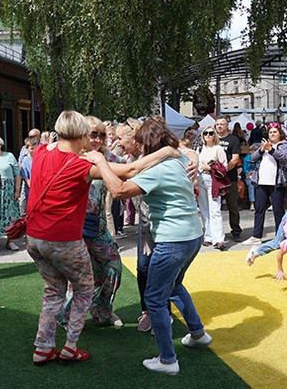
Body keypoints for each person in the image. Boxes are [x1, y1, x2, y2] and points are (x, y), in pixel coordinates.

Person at [27, 111, 182, 366]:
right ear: (81, 135)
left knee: (53, 290)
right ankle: (70, 346)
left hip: (34, 238)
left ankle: (43, 348)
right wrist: (168, 152)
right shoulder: (82, 166)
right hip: (63, 239)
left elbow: (54, 142)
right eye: (91, 134)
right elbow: (131, 170)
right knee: (85, 289)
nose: (96, 139)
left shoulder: (42, 151)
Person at [86, 118, 212, 376]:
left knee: (155, 299)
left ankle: (168, 359)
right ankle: (197, 333)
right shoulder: (178, 161)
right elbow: (177, 152)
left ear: (147, 144)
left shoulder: (159, 168)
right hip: (193, 236)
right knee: (175, 286)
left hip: (173, 241)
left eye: (140, 143)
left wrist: (99, 161)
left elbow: (120, 190)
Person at [59, 116, 123, 327]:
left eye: (102, 135)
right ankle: (66, 317)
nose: (97, 139)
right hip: (73, 226)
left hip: (98, 224)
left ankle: (102, 311)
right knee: (78, 276)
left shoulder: (109, 157)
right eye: (93, 134)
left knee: (113, 267)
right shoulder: (71, 157)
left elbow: (130, 170)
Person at [245, 123, 287, 245]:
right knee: (259, 209)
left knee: (278, 210)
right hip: (261, 181)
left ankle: (280, 235)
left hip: (277, 182)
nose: (272, 134)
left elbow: (284, 157)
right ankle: (256, 235)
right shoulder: (263, 144)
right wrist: (262, 149)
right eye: (270, 132)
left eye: (274, 132)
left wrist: (270, 149)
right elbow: (252, 158)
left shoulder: (284, 145)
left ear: (280, 133)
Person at [197, 126, 228, 250]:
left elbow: (224, 166)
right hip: (201, 179)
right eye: (206, 133)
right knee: (204, 209)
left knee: (215, 209)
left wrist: (211, 168)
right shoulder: (200, 148)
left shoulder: (218, 149)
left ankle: (219, 238)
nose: (208, 135)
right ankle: (208, 236)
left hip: (213, 180)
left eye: (210, 133)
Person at [215, 115, 242, 242]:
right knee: (214, 207)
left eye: (222, 124)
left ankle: (236, 230)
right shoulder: (211, 138)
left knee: (233, 206)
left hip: (229, 178)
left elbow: (235, 158)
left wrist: (223, 170)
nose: (219, 126)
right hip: (214, 179)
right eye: (217, 124)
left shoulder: (234, 139)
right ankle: (215, 232)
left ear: (227, 126)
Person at [19, 136, 38, 215]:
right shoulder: (26, 161)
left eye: (35, 148)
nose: (34, 151)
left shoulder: (39, 158)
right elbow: (26, 178)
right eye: (31, 149)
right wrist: (33, 187)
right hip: (30, 190)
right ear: (27, 148)